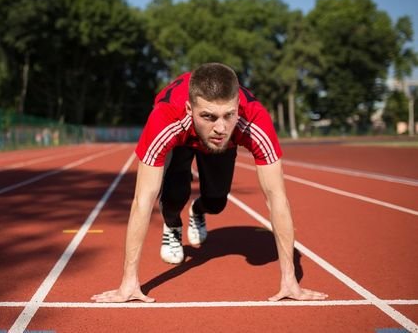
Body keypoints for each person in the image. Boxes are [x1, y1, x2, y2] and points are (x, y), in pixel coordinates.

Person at [91, 62, 328, 303]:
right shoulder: (165, 117)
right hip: (181, 138)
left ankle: (198, 209)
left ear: (237, 108)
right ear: (189, 108)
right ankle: (172, 226)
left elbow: (277, 197)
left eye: (229, 115)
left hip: (222, 147)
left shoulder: (254, 119)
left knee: (216, 201)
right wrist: (128, 282)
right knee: (174, 194)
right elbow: (142, 200)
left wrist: (290, 280)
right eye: (209, 116)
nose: (220, 128)